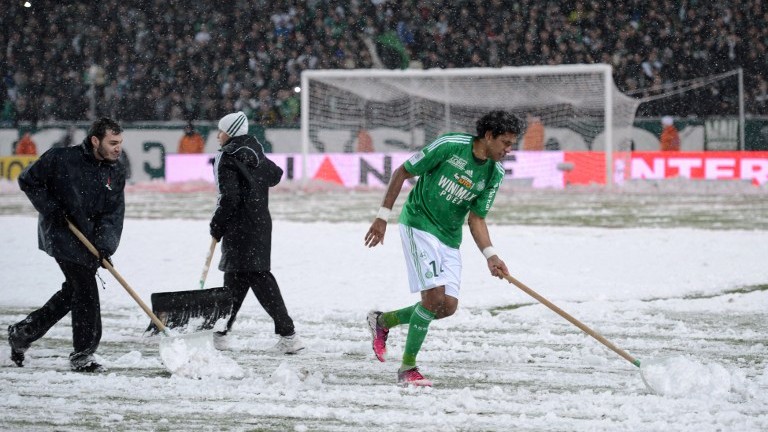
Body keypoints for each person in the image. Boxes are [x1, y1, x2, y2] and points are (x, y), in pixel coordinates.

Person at [364, 110, 526, 386]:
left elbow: (476, 218)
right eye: (506, 143)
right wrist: (382, 217)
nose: (509, 150)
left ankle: (383, 321)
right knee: (433, 298)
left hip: (449, 236)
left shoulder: (494, 174)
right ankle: (407, 369)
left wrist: (491, 255)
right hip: (418, 224)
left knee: (447, 306)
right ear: (489, 136)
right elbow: (402, 172)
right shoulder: (450, 146)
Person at [8, 117, 126, 372]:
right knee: (85, 290)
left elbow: (113, 213)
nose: (118, 148)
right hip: (61, 233)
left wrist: (105, 245)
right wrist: (51, 209)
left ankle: (24, 332)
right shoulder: (61, 158)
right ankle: (83, 354)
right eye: (112, 142)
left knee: (72, 293)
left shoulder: (115, 171)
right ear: (95, 140)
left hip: (90, 240)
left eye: (120, 142)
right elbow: (28, 180)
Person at [209, 111, 304, 354]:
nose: (218, 135)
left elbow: (228, 198)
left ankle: (288, 334)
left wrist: (217, 225)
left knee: (258, 277)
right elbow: (276, 175)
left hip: (240, 226)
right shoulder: (254, 151)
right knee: (235, 279)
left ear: (230, 132)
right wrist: (256, 164)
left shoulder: (226, 156)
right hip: (260, 223)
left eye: (221, 130)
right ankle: (220, 332)